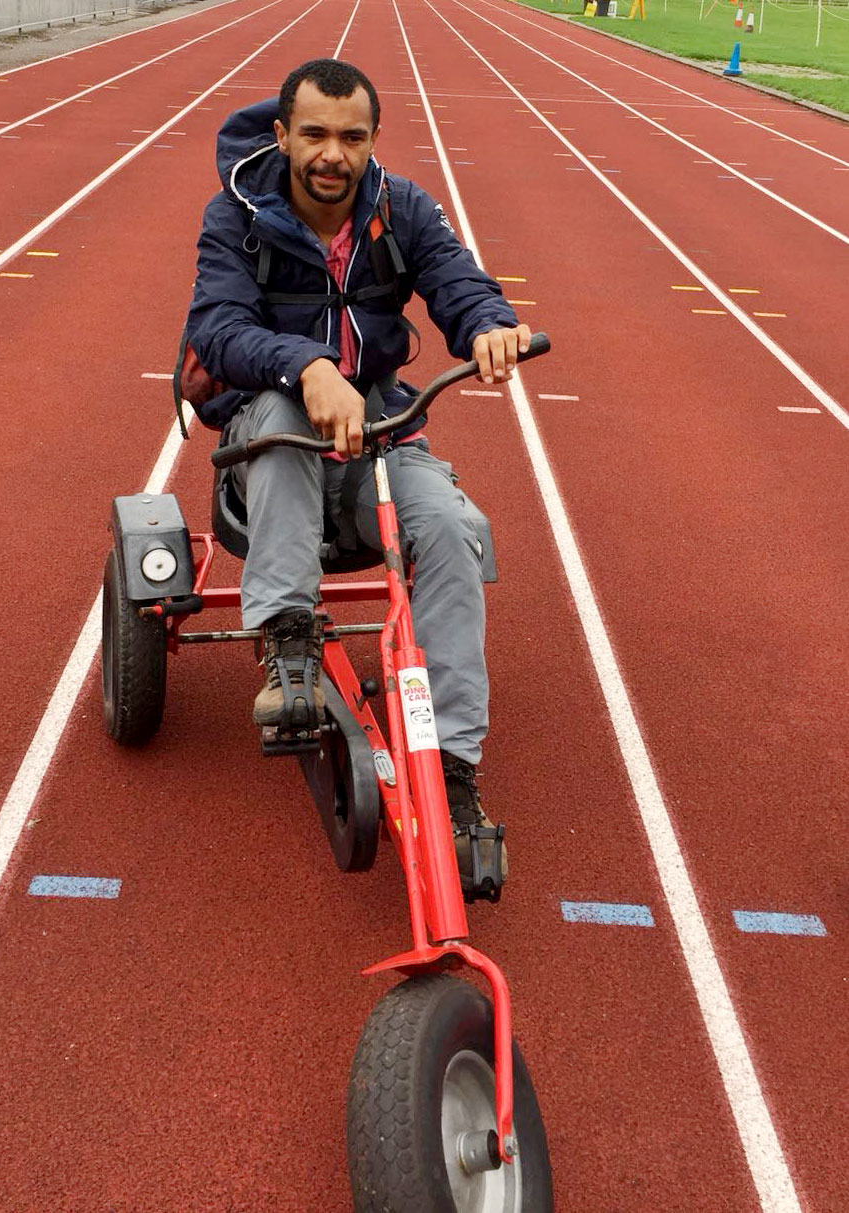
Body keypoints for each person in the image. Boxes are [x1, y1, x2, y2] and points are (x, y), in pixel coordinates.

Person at [187, 58, 530, 892]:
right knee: (280, 426)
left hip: (377, 427)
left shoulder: (399, 207)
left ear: (371, 140)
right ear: (282, 136)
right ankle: (289, 640)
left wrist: (487, 324)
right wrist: (306, 367)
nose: (331, 154)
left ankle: (450, 768)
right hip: (269, 421)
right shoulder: (234, 215)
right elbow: (218, 327)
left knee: (447, 527)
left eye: (351, 136)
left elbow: (457, 279)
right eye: (314, 135)